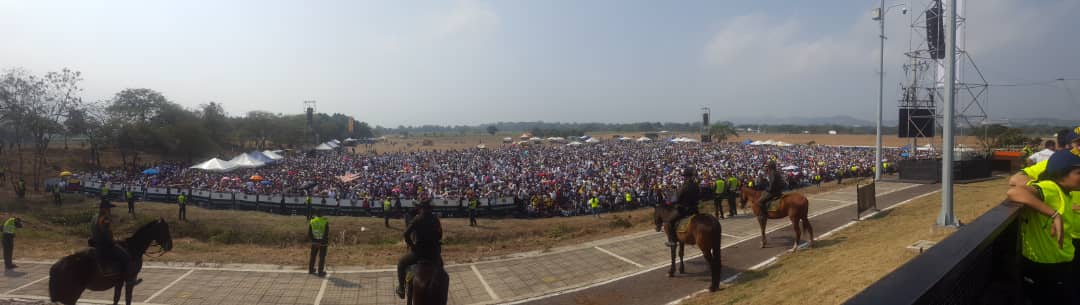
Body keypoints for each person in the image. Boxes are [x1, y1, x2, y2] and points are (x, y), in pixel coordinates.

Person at [1005, 148, 1080, 304]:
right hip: (1047, 268)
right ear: (1061, 174)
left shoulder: (1066, 192)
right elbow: (1015, 192)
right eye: (1078, 173)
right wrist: (1054, 214)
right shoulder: (1050, 188)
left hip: (1060, 263)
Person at [395, 198, 443, 299]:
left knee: (401, 263)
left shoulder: (417, 219)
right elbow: (440, 235)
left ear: (421, 208)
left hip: (419, 252)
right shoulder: (435, 219)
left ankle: (401, 288)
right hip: (433, 252)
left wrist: (412, 245)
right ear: (430, 209)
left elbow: (406, 234)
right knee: (442, 269)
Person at [91, 199, 129, 277]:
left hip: (95, 242)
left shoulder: (94, 217)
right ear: (104, 208)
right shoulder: (105, 219)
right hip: (104, 244)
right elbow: (106, 233)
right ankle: (128, 279)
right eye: (108, 208)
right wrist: (114, 241)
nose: (109, 210)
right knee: (126, 256)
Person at [665, 167, 700, 247]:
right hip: (695, 209)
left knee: (668, 222)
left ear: (685, 176)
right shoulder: (696, 185)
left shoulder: (684, 186)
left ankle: (672, 240)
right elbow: (699, 196)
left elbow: (676, 198)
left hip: (684, 210)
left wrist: (671, 199)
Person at [308, 209, 329, 277]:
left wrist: (314, 241)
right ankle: (320, 271)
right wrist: (321, 242)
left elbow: (309, 233)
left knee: (313, 256)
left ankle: (311, 269)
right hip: (322, 243)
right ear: (322, 214)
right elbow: (326, 234)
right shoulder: (325, 221)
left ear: (316, 214)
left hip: (314, 242)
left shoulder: (312, 221)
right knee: (322, 257)